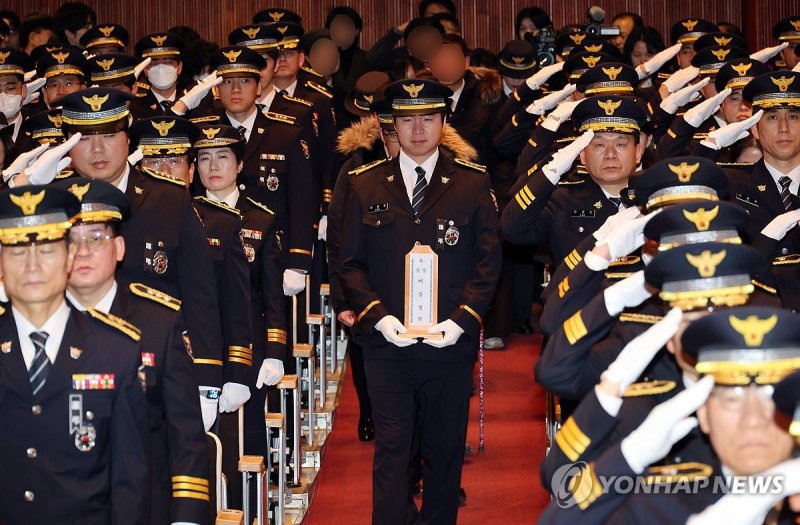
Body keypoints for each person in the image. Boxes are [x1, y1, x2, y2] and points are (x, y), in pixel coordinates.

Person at [339, 78, 501, 524]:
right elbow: (349, 262)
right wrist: (377, 316)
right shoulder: (365, 183)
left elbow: (489, 261)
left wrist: (461, 320)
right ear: (391, 124)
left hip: (448, 344)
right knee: (391, 449)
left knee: (444, 450)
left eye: (427, 119)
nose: (416, 130)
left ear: (443, 122)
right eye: (406, 120)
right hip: (387, 345)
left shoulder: (471, 182)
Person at [60, 177, 211, 524]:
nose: (82, 252)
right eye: (70, 241)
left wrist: (186, 517)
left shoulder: (158, 323)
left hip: (145, 509)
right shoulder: (37, 324)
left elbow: (185, 436)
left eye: (96, 238)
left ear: (120, 248)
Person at [0, 184, 149, 524]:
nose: (33, 266)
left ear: (68, 257)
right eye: (19, 252)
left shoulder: (116, 352)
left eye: (48, 250)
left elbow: (129, 486)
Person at [193, 123, 287, 487]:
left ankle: (248, 505)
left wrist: (275, 350)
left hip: (247, 341)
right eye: (203, 158)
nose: (212, 167)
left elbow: (271, 293)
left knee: (244, 434)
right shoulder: (186, 216)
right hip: (200, 339)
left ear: (239, 165)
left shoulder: (260, 218)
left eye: (222, 157)